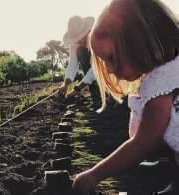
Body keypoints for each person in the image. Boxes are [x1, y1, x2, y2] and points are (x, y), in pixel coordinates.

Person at [72, 0, 179, 194]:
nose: (110, 70)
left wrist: (94, 175)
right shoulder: (173, 67)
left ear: (139, 41)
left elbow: (141, 144)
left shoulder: (161, 82)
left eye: (111, 58)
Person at [58, 16, 98, 101]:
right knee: (80, 51)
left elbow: (97, 68)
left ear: (88, 31)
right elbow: (72, 65)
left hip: (112, 72)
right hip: (93, 73)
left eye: (82, 37)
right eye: (78, 40)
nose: (81, 42)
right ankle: (95, 89)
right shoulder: (76, 45)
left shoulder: (98, 39)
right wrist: (65, 85)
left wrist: (77, 89)